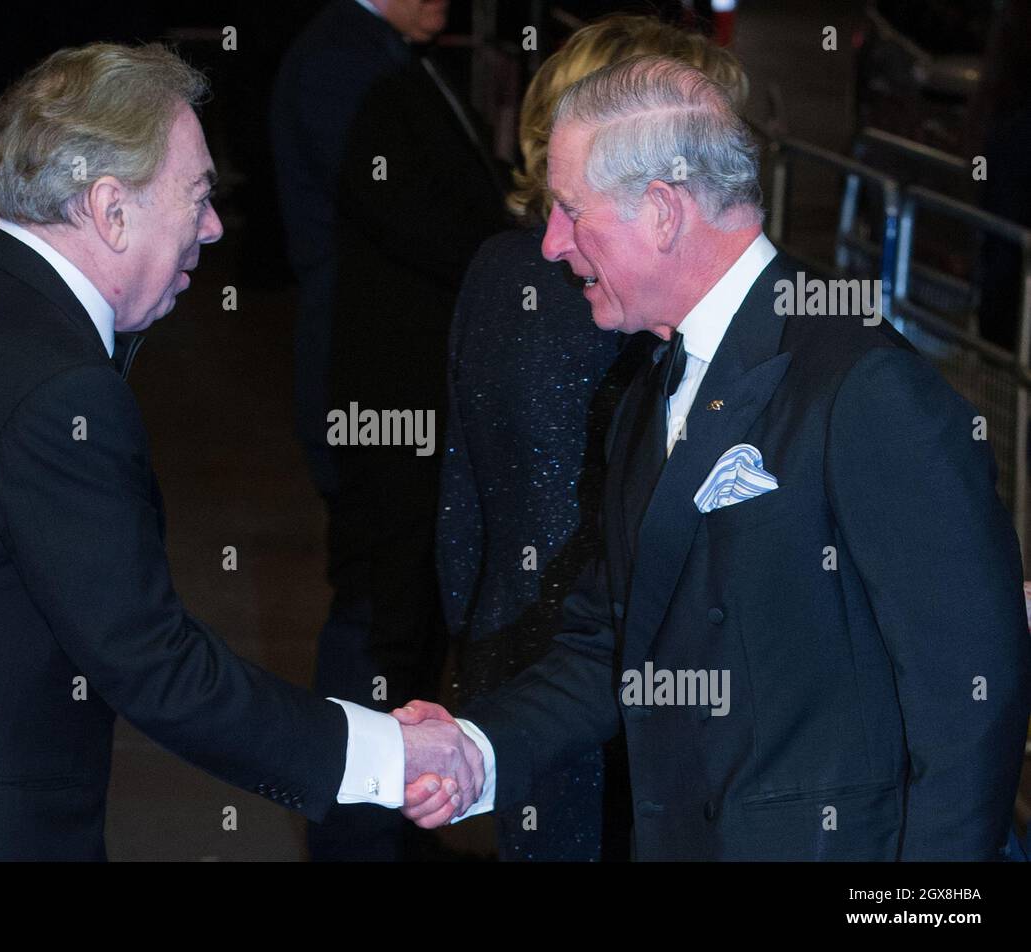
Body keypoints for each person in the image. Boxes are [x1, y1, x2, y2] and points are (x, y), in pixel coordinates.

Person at [0, 42, 480, 861]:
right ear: (110, 208)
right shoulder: (61, 392)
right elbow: (155, 665)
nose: (216, 224)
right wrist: (389, 755)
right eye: (197, 195)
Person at [400, 54, 1031, 858]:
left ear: (662, 212)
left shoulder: (865, 387)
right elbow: (613, 642)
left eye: (568, 209)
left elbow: (969, 701)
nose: (553, 243)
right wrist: (477, 751)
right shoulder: (654, 383)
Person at [440, 15, 749, 862]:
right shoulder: (634, 295)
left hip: (512, 650)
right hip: (630, 667)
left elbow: (461, 498)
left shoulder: (494, 272)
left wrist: (472, 644)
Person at [273, 0, 506, 860]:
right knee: (378, 610)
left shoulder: (376, 54)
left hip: (401, 388)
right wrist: (520, 256)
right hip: (371, 392)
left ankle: (390, 825)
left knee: (407, 610)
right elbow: (408, 211)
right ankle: (356, 839)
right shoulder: (341, 57)